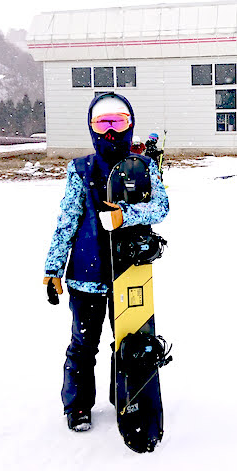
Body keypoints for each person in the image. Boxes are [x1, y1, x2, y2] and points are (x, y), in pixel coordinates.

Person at [42, 92, 169, 432]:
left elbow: (161, 207)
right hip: (86, 274)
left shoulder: (143, 166)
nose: (111, 132)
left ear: (130, 125)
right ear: (91, 127)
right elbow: (67, 219)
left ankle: (125, 396)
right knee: (84, 344)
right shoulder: (80, 169)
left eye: (119, 122)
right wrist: (53, 268)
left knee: (127, 342)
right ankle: (78, 405)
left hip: (129, 273)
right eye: (103, 123)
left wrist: (125, 216)